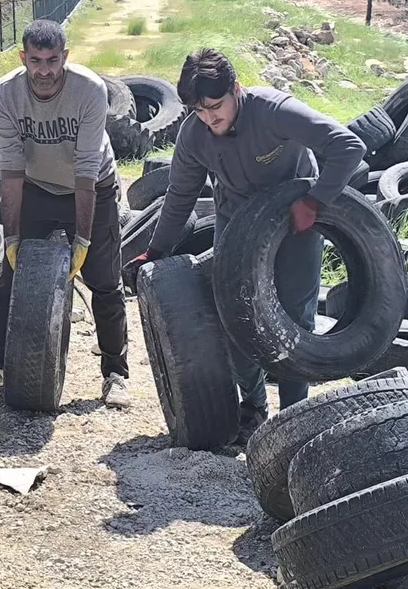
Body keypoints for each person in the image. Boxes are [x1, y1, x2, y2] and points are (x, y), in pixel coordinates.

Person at [125, 48, 365, 443]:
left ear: (236, 89)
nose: (210, 118)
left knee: (293, 322)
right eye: (199, 111)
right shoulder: (193, 134)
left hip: (296, 225)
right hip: (235, 228)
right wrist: (155, 250)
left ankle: (295, 418)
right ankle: (253, 407)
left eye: (216, 107)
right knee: (236, 318)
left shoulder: (274, 111)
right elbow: (180, 196)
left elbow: (347, 146)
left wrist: (316, 200)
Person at [0, 19, 132, 409]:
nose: (44, 70)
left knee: (105, 282)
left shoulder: (89, 90)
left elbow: (86, 169)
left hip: (91, 186)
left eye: (52, 60)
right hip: (37, 187)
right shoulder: (5, 94)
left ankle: (116, 373)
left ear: (65, 57)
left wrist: (82, 240)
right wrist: (12, 237)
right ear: (23, 58)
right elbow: (10, 170)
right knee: (10, 277)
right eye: (36, 60)